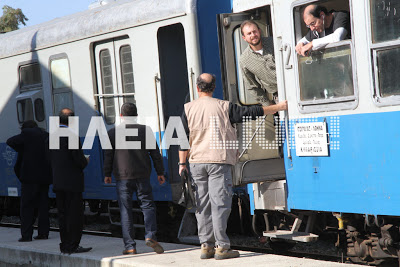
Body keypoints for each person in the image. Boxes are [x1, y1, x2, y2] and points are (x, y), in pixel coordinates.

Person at [178, 73, 288, 260]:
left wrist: (182, 164)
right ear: (213, 88)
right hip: (218, 162)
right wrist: (278, 107)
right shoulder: (224, 106)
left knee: (202, 205)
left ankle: (206, 246)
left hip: (196, 163)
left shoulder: (187, 109)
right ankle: (222, 247)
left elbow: (182, 140)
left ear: (197, 88)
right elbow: (251, 113)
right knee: (220, 204)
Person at [104, 102, 166, 255]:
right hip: (142, 175)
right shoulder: (145, 130)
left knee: (125, 210)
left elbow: (108, 156)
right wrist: (160, 172)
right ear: (136, 115)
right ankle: (150, 235)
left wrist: (106, 174)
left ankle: (130, 246)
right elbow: (155, 154)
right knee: (147, 206)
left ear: (121, 116)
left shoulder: (112, 133)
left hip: (122, 177)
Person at [50, 108, 91, 254]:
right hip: (73, 184)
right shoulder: (72, 136)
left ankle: (65, 244)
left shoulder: (52, 136)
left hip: (58, 182)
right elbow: (78, 161)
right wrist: (85, 160)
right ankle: (73, 245)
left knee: (62, 215)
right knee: (74, 215)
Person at [6, 120, 52, 242]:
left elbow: (9, 141)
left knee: (27, 206)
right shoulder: (46, 135)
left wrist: (22, 148)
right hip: (45, 177)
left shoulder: (25, 135)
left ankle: (27, 235)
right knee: (43, 206)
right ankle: (43, 233)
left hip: (29, 178)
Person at [240, 20, 277, 106]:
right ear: (244, 38)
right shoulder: (244, 60)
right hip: (278, 95)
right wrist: (267, 103)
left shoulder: (274, 42)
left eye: (254, 31)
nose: (253, 35)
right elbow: (251, 86)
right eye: (249, 34)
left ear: (259, 31)